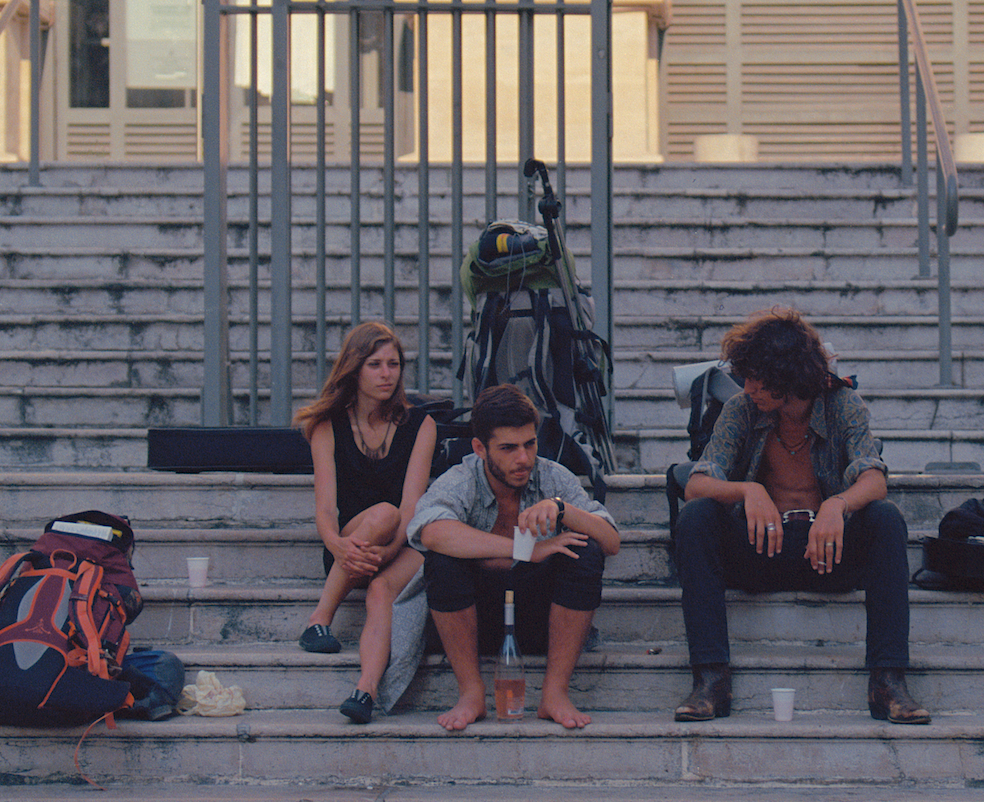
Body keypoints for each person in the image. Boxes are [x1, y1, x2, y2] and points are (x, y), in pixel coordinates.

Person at [672, 307, 931, 725]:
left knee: (886, 518)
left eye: (757, 378)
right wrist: (748, 490)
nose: (748, 386)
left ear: (786, 378)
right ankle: (710, 680)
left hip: (827, 552)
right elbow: (696, 484)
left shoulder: (843, 404)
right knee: (697, 517)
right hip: (761, 549)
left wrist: (837, 504)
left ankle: (888, 682)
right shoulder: (741, 409)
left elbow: (874, 478)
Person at [407, 384, 620, 731]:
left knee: (586, 550)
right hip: (476, 619)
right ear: (480, 448)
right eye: (508, 448)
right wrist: (525, 550)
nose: (523, 458)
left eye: (529, 444)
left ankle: (555, 692)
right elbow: (431, 532)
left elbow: (611, 541)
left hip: (540, 617)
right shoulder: (461, 480)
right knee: (441, 560)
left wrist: (562, 509)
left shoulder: (552, 476)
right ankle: (471, 693)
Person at [293, 321, 437, 724]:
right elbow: (326, 509)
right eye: (375, 364)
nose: (386, 374)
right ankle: (318, 620)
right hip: (349, 549)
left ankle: (366, 690)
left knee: (381, 589)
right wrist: (338, 546)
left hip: (402, 545)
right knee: (381, 514)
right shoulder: (327, 424)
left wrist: (388, 553)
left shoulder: (420, 424)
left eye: (394, 364)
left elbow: (412, 507)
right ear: (354, 369)